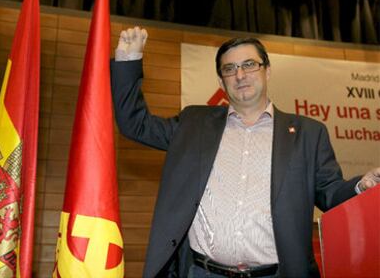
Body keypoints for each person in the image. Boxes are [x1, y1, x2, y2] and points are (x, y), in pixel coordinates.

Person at [110, 26, 380, 278]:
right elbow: (135, 124)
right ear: (221, 80)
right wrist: (127, 59)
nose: (240, 75)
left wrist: (360, 186)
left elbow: (330, 192)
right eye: (230, 69)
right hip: (201, 272)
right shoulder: (193, 124)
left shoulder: (308, 134)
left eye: (249, 65)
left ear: (267, 71)